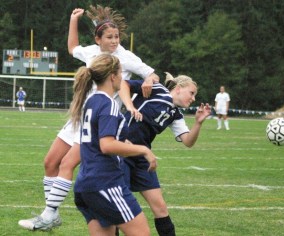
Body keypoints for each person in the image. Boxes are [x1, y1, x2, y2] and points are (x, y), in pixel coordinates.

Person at [18, 5, 159, 231]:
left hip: (99, 121)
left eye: (117, 37)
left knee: (67, 163)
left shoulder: (126, 57)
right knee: (50, 162)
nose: (114, 41)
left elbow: (151, 72)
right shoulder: (92, 52)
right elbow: (72, 47)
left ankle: (49, 214)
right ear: (98, 39)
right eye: (110, 37)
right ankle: (51, 213)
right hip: (81, 115)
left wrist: (149, 80)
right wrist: (73, 20)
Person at [72, 54, 157, 236]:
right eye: (121, 73)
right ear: (113, 76)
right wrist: (143, 149)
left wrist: (128, 146)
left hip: (85, 184)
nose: (123, 78)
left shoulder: (92, 101)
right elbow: (107, 145)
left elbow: (104, 141)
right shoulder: (108, 104)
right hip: (105, 182)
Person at [120, 72, 211, 236]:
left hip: (142, 157)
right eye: (191, 93)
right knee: (120, 205)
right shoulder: (156, 89)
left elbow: (188, 141)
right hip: (121, 149)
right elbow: (123, 84)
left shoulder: (176, 114)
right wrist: (130, 106)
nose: (193, 99)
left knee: (160, 208)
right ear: (178, 88)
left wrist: (198, 122)